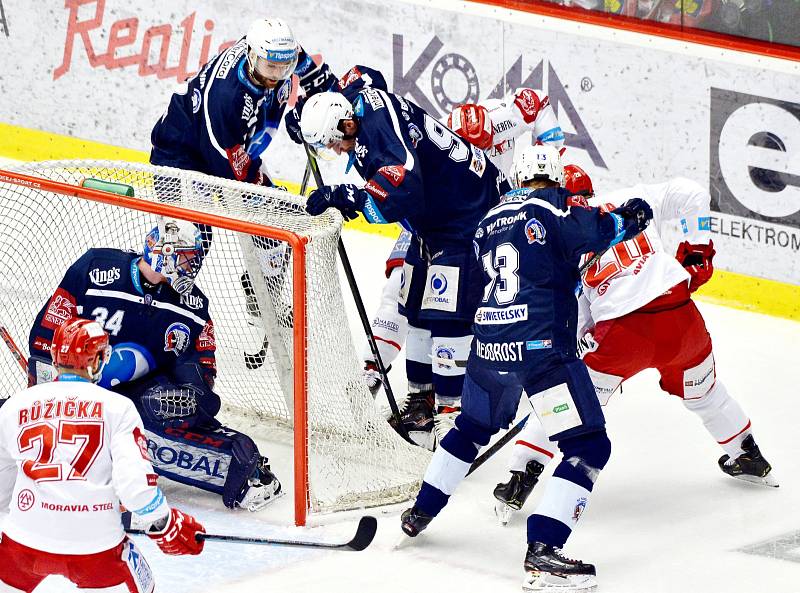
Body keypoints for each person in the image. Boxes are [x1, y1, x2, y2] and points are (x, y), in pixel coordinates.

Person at [399, 145, 653, 592]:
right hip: (541, 356)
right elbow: (592, 231)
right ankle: (544, 552)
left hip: (488, 348)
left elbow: (478, 289)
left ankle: (421, 509)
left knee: (470, 428)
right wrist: (630, 218)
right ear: (555, 178)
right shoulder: (553, 204)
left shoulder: (486, 222)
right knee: (587, 447)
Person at [492, 165, 778, 524]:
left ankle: (522, 474)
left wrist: (575, 350)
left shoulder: (558, 234)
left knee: (562, 401)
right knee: (704, 393)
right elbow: (692, 193)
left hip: (621, 336)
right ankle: (746, 452)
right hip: (681, 319)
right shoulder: (627, 200)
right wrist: (699, 247)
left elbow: (575, 313)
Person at [299, 65, 506, 448]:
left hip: (468, 218)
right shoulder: (355, 102)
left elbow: (402, 193)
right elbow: (364, 73)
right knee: (414, 306)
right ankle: (421, 402)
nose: (335, 151)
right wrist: (307, 107)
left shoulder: (379, 133)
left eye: (334, 143)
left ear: (347, 126)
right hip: (435, 220)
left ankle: (450, 414)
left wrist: (350, 196)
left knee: (447, 317)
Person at [27, 218, 281, 512]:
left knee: (147, 423)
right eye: (187, 257)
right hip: (78, 383)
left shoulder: (194, 308)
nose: (193, 266)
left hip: (139, 397)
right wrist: (45, 387)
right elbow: (47, 334)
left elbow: (202, 371)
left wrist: (187, 397)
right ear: (164, 251)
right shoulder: (96, 268)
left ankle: (244, 472)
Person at [362, 90, 566, 442]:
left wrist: (551, 161)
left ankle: (466, 400)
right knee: (403, 295)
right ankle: (385, 384)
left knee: (485, 313)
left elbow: (539, 103)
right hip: (439, 225)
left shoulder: (503, 116)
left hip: (490, 225)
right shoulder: (433, 143)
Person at [0, 318, 205, 593]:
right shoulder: (118, 407)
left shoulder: (15, 405)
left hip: (21, 547)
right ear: (95, 361)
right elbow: (136, 489)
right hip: (95, 549)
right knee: (146, 584)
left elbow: (1, 486)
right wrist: (164, 522)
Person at [150, 17, 335, 186]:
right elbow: (233, 170)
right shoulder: (228, 99)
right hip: (180, 157)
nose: (277, 76)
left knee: (271, 216)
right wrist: (266, 189)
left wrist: (326, 109)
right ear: (251, 55)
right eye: (270, 67)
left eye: (285, 68)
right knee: (191, 223)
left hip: (230, 150)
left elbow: (317, 79)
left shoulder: (277, 52)